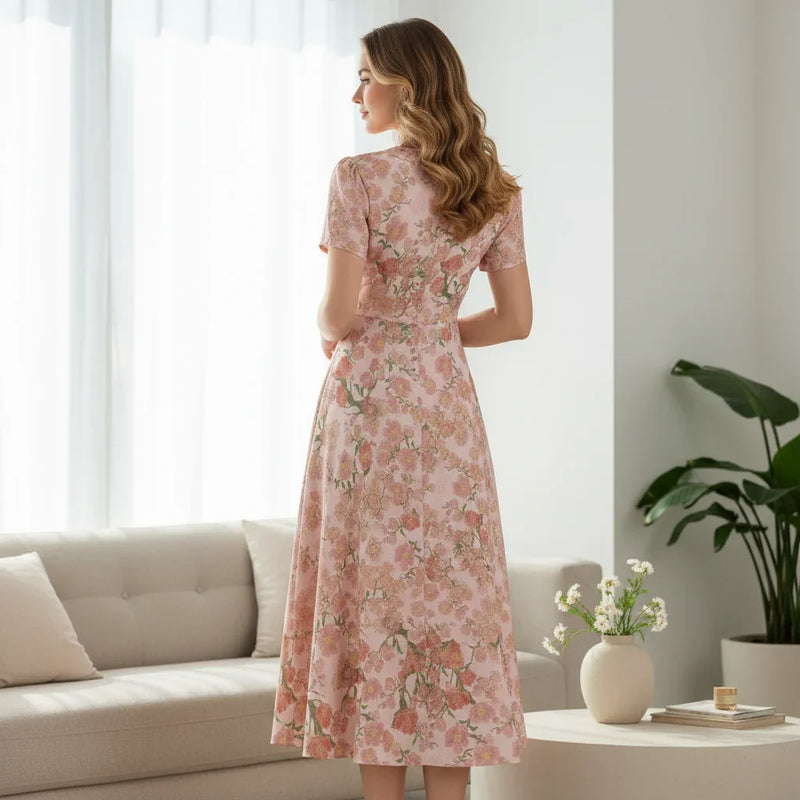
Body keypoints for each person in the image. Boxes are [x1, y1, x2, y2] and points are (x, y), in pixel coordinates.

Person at [270, 17, 532, 800]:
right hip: (446, 411)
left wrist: (364, 330)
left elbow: (336, 315)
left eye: (365, 77)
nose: (356, 93)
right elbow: (516, 321)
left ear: (405, 84)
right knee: (450, 603)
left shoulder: (358, 178)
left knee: (373, 602)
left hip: (372, 409)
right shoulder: (494, 191)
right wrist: (435, 333)